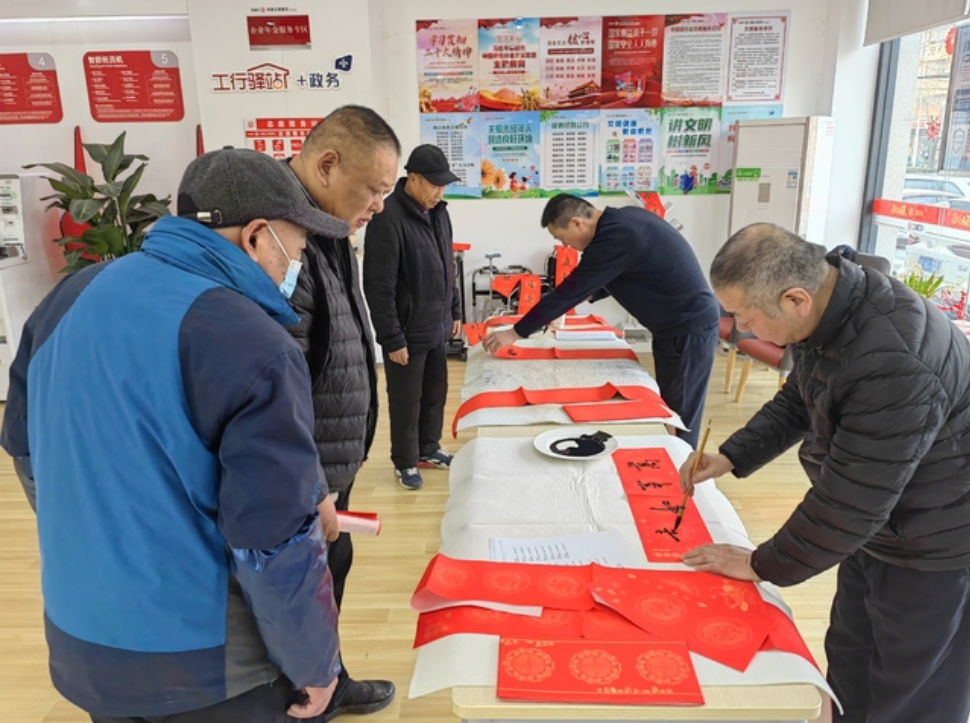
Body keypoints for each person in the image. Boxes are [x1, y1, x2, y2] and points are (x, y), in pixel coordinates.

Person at [0, 148, 350, 722]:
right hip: (208, 670)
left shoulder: (69, 296)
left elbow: (25, 450)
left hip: (84, 641)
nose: (300, 263)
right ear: (257, 237)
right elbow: (273, 541)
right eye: (300, 246)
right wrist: (316, 667)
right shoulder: (253, 343)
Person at [680, 223, 970, 723]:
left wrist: (762, 564)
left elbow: (851, 500)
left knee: (914, 690)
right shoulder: (834, 306)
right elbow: (802, 397)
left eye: (746, 317)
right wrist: (731, 455)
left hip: (937, 539)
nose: (741, 329)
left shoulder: (893, 357)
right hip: (882, 527)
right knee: (852, 660)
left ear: (795, 299)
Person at [285, 105, 399, 718]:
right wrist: (311, 484)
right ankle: (310, 696)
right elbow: (274, 387)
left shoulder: (327, 227)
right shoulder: (281, 240)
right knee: (300, 591)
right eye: (374, 189)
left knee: (331, 572)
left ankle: (328, 680)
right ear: (327, 165)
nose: (379, 205)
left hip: (330, 456)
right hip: (305, 469)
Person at [483, 193, 719, 448]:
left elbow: (572, 289)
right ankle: (675, 459)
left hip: (688, 326)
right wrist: (581, 294)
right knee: (671, 405)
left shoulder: (615, 237)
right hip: (679, 325)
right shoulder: (624, 220)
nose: (566, 246)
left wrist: (515, 333)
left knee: (679, 416)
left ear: (577, 223)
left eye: (563, 239)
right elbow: (618, 274)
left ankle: (683, 466)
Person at [362, 144, 462, 490]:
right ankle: (405, 461)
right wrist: (392, 338)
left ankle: (428, 448)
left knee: (435, 393)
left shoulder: (440, 213)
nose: (439, 192)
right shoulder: (387, 218)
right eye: (434, 185)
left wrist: (454, 310)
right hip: (406, 330)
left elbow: (448, 267)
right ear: (413, 178)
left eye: (443, 185)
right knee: (406, 400)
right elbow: (378, 286)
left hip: (436, 324)